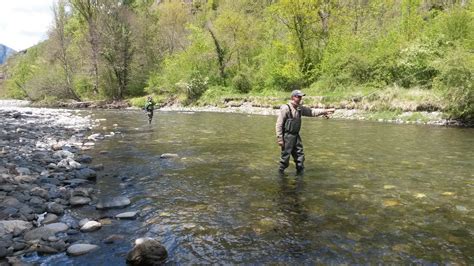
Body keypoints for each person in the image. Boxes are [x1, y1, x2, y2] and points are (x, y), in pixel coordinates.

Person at [275, 90, 335, 175]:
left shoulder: (300, 108)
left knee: (300, 156)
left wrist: (325, 111)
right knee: (285, 158)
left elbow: (312, 112)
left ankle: (300, 175)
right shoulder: (286, 108)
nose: (300, 98)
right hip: (287, 136)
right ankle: (280, 175)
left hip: (296, 136)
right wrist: (280, 138)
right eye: (298, 96)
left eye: (301, 97)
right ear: (293, 97)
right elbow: (279, 124)